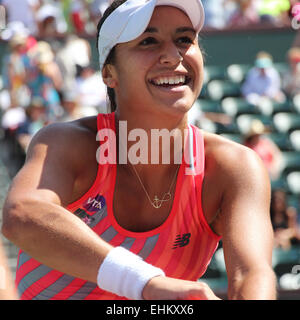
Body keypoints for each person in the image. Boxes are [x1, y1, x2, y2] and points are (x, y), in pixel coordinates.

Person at [2, 0, 276, 300]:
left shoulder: (235, 167)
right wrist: (145, 283)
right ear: (109, 74)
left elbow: (251, 274)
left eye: (185, 39)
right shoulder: (67, 142)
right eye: (148, 41)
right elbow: (22, 214)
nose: (173, 56)